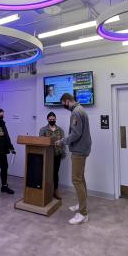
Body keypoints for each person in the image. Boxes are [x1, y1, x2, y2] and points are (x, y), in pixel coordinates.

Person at [55, 93, 92, 225]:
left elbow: (76, 133)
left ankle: (83, 213)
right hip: (83, 149)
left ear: (67, 101)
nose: (63, 106)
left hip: (79, 150)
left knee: (76, 180)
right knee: (80, 178)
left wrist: (62, 141)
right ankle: (82, 205)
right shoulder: (81, 109)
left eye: (63, 104)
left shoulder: (76, 112)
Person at [39, 112, 66, 200]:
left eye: (53, 119)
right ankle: (46, 190)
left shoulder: (60, 130)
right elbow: (41, 141)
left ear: (55, 119)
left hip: (57, 155)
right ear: (47, 119)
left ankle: (55, 190)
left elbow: (63, 142)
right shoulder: (43, 130)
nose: (52, 121)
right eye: (50, 119)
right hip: (47, 155)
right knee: (46, 173)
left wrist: (63, 152)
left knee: (55, 173)